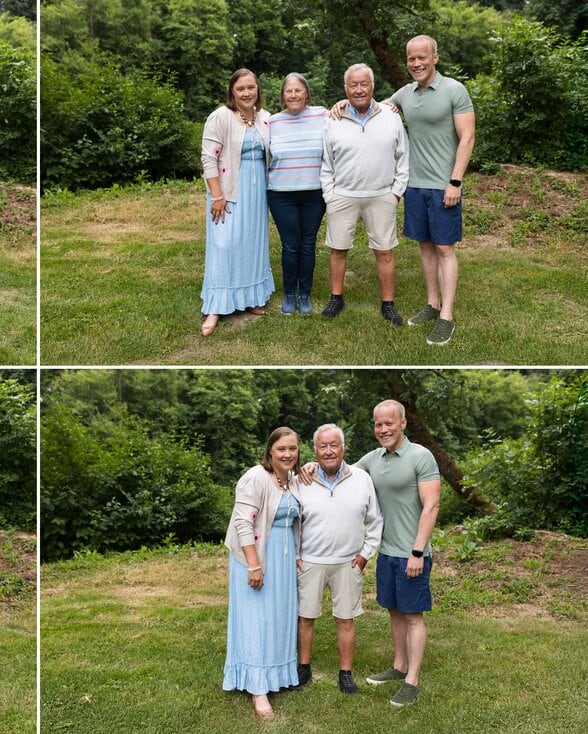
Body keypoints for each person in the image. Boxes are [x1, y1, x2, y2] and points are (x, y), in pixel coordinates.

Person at [354, 399, 441, 707]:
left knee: (413, 616)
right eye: (378, 424)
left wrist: (417, 552)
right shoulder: (374, 459)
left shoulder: (421, 456)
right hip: (386, 552)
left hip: (412, 553)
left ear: (403, 423)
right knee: (393, 610)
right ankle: (398, 665)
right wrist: (313, 465)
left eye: (389, 422)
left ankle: (412, 680)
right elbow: (343, 472)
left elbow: (431, 506)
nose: (383, 429)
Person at [392, 35, 475, 346]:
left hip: (444, 186)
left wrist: (455, 181)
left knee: (444, 249)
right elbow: (381, 107)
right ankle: (431, 304)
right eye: (411, 59)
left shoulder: (454, 90)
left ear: (435, 57)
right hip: (414, 185)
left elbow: (467, 139)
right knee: (425, 246)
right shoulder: (405, 93)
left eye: (421, 58)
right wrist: (345, 103)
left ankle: (446, 317)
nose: (416, 64)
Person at [295, 424, 382, 695]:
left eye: (334, 445)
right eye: (323, 446)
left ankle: (345, 673)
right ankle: (303, 668)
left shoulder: (360, 478)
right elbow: (290, 519)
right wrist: (297, 555)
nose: (329, 451)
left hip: (348, 562)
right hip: (310, 560)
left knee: (345, 619)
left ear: (343, 448)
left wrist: (365, 555)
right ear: (315, 450)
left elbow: (376, 519)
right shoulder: (301, 479)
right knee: (305, 617)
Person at [222, 426, 302, 720]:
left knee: (278, 618)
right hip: (255, 558)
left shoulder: (291, 479)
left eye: (292, 449)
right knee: (256, 619)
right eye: (281, 449)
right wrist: (254, 565)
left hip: (282, 561)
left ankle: (277, 674)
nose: (287, 454)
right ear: (270, 451)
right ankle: (257, 688)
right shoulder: (255, 477)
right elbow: (244, 523)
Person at [320, 64, 409, 325]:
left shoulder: (391, 117)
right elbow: (326, 161)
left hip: (381, 195)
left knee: (385, 251)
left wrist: (396, 192)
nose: (359, 90)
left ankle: (388, 303)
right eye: (353, 85)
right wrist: (330, 194)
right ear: (345, 88)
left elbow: (403, 157)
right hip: (343, 195)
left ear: (372, 86)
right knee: (338, 249)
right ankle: (337, 298)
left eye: (363, 84)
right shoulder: (333, 119)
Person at [199, 69, 272, 336]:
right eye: (241, 88)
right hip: (228, 192)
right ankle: (216, 307)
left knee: (250, 245)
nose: (247, 93)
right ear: (232, 91)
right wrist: (217, 195)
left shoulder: (264, 118)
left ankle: (248, 298)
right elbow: (209, 158)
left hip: (256, 194)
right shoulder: (220, 117)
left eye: (251, 87)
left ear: (257, 89)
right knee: (224, 244)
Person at [267, 73, 328, 315]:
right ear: (282, 96)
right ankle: (290, 294)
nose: (293, 95)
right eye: (288, 91)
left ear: (306, 94)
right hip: (281, 194)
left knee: (308, 243)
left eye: (298, 90)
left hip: (314, 192)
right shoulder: (271, 122)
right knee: (290, 245)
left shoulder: (323, 115)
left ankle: (305, 295)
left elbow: (349, 113)